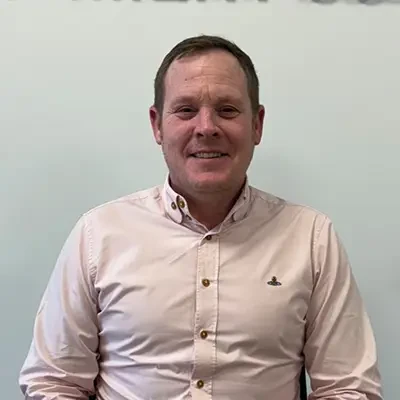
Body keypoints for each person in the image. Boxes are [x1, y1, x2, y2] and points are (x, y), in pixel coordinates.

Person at [19, 35, 383, 400]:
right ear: (157, 124)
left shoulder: (311, 238)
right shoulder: (98, 235)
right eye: (186, 110)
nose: (206, 127)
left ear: (257, 124)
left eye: (227, 110)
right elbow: (55, 381)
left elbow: (348, 387)